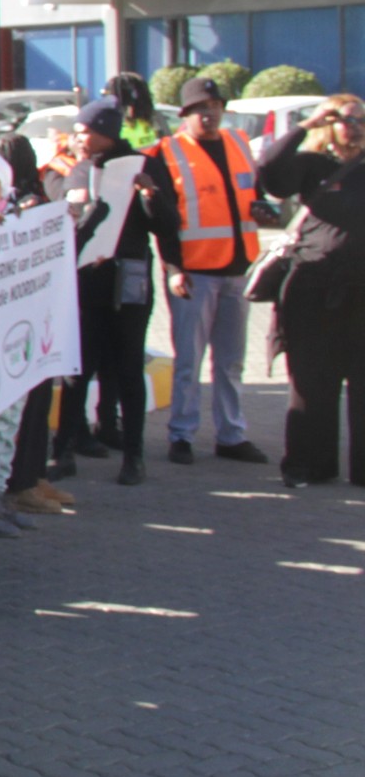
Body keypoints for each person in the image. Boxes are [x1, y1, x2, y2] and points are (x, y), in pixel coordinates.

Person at [144, 75, 269, 466]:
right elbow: (163, 222)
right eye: (200, 109)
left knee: (231, 361)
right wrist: (173, 268)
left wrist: (263, 209)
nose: (209, 114)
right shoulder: (166, 153)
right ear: (184, 114)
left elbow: (254, 194)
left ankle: (231, 435)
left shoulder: (239, 143)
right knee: (189, 361)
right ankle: (182, 434)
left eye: (214, 107)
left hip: (237, 269)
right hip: (194, 274)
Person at [260, 94, 365, 485]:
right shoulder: (311, 165)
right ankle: (309, 465)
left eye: (360, 119)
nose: (352, 126)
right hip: (313, 287)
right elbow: (269, 171)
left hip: (361, 291)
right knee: (311, 380)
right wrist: (305, 125)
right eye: (343, 119)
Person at [64, 98, 160, 487]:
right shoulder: (80, 170)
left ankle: (134, 457)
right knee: (78, 369)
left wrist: (150, 198)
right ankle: (64, 451)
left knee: (128, 369)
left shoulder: (144, 166)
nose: (77, 138)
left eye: (84, 131)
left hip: (129, 282)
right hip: (87, 283)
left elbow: (167, 226)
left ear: (105, 133)